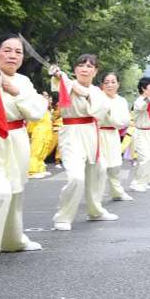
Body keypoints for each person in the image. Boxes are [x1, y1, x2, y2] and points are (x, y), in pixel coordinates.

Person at [0, 35, 48, 268]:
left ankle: (13, 241)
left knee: (14, 193)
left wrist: (15, 91)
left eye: (18, 52)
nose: (13, 56)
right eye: (7, 50)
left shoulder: (24, 81)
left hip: (17, 141)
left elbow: (36, 111)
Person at [51, 55, 115, 231]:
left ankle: (95, 211)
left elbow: (102, 109)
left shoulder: (97, 92)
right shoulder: (67, 83)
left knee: (99, 170)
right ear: (75, 69)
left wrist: (86, 95)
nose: (84, 69)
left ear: (95, 71)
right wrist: (58, 75)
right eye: (81, 65)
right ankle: (63, 216)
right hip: (71, 132)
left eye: (89, 66)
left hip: (91, 132)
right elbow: (59, 83)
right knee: (76, 176)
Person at [97, 72, 133, 203]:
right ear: (102, 84)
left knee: (115, 166)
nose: (110, 85)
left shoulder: (121, 101)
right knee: (99, 167)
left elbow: (123, 121)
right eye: (106, 82)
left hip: (112, 135)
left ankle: (117, 192)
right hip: (97, 134)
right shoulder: (97, 98)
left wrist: (110, 114)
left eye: (113, 82)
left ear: (118, 84)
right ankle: (96, 197)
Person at [129, 78, 150, 193]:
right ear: (143, 88)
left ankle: (143, 181)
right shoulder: (139, 101)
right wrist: (149, 100)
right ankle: (137, 183)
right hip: (141, 133)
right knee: (145, 158)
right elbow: (141, 107)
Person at [27, 93, 54, 179]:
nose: (49, 100)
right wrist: (30, 132)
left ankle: (40, 169)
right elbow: (32, 122)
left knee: (42, 152)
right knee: (36, 152)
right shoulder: (37, 110)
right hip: (39, 133)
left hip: (46, 133)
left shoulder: (46, 110)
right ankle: (32, 171)